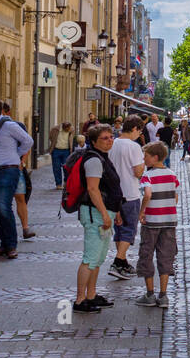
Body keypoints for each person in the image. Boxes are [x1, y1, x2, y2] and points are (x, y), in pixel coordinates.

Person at [73, 123, 124, 314]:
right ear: (93, 142)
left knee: (98, 257)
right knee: (90, 257)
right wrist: (104, 213)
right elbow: (93, 189)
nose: (110, 140)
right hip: (95, 213)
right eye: (105, 138)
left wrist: (116, 211)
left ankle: (92, 294)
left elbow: (110, 188)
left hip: (104, 211)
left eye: (111, 137)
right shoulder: (94, 160)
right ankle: (80, 299)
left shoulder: (103, 157)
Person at [0, 98, 34, 258]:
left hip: (8, 170)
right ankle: (4, 244)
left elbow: (28, 141)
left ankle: (11, 245)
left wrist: (16, 157)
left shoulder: (9, 126)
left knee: (4, 207)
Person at [135, 141, 180, 308]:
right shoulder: (172, 174)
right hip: (169, 221)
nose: (143, 159)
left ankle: (149, 294)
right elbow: (175, 197)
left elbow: (147, 194)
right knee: (166, 255)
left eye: (145, 156)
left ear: (154, 158)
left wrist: (142, 211)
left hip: (152, 221)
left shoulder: (148, 176)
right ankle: (163, 295)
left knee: (147, 254)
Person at [107, 117, 147, 280]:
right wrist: (144, 164)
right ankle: (117, 262)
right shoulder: (134, 146)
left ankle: (123, 263)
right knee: (129, 230)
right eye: (140, 131)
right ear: (136, 129)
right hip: (129, 193)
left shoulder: (112, 143)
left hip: (112, 194)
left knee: (119, 229)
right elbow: (138, 172)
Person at [1, 102, 37, 242]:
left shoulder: (17, 126)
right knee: (3, 202)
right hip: (0, 169)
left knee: (20, 198)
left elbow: (27, 144)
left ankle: (25, 228)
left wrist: (21, 161)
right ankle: (2, 230)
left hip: (16, 169)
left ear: (7, 113)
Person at [49, 121, 73, 188]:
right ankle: (58, 184)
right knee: (56, 168)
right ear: (63, 127)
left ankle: (66, 182)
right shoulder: (55, 129)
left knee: (66, 168)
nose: (69, 130)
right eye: (67, 129)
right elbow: (50, 137)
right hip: (56, 150)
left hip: (66, 151)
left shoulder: (71, 130)